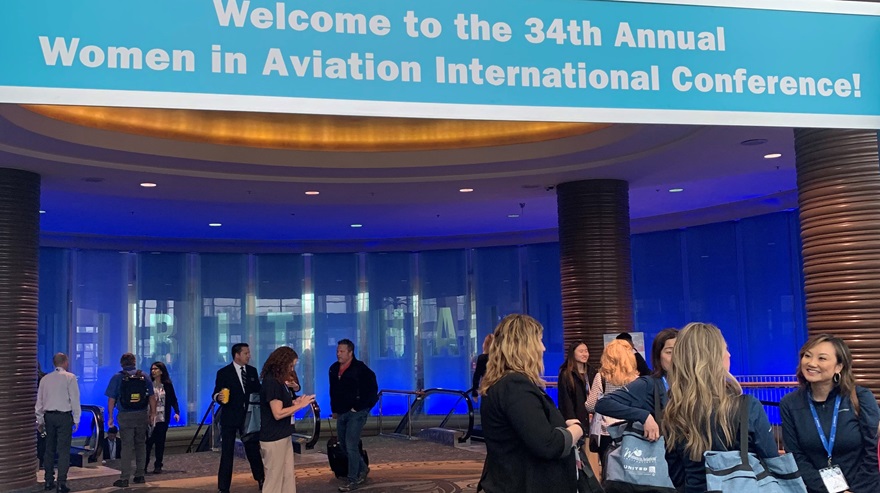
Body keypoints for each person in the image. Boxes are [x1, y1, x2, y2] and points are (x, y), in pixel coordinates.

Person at [662, 322, 778, 493]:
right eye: (725, 349)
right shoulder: (747, 406)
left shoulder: (674, 410)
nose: (729, 355)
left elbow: (676, 474)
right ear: (713, 358)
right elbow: (772, 461)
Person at [477, 314, 584, 493]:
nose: (543, 348)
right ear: (524, 346)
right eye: (539, 341)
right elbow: (547, 445)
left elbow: (527, 430)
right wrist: (576, 429)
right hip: (525, 483)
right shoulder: (515, 385)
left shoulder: (503, 383)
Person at [780, 334, 880, 493]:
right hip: (816, 490)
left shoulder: (860, 398)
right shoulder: (790, 404)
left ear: (839, 367)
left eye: (822, 358)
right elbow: (796, 457)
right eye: (807, 356)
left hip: (863, 488)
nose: (812, 363)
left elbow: (874, 451)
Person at [596, 328, 682, 486]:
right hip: (661, 471)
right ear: (658, 356)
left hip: (690, 470)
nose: (676, 357)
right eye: (669, 352)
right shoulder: (649, 384)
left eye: (681, 351)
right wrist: (643, 415)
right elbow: (603, 403)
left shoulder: (693, 386)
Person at [259, 347, 316, 493]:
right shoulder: (271, 381)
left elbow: (284, 405)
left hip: (283, 434)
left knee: (287, 477)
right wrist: (300, 406)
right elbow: (277, 413)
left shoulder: (280, 381)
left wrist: (295, 403)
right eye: (291, 365)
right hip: (273, 438)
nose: (292, 369)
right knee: (274, 480)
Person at [213, 342, 265, 493]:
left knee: (253, 450)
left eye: (249, 353)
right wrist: (218, 397)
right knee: (227, 453)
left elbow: (258, 392)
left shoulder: (252, 371)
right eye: (246, 353)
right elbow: (216, 393)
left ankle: (260, 478)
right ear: (237, 355)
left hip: (248, 418)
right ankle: (223, 487)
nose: (249, 356)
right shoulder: (224, 373)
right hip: (230, 418)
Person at [329, 339, 379, 492]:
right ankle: (362, 469)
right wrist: (335, 410)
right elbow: (333, 391)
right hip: (342, 412)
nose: (338, 353)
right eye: (338, 350)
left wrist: (360, 407)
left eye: (342, 351)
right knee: (343, 445)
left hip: (357, 413)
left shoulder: (360, 369)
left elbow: (372, 390)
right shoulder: (333, 369)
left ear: (350, 352)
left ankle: (353, 480)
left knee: (351, 445)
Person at [585, 339, 640, 475]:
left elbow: (591, 406)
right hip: (630, 431)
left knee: (609, 472)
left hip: (607, 433)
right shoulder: (636, 379)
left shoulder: (601, 377)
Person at [105, 353, 157, 489]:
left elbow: (111, 399)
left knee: (127, 446)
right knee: (141, 444)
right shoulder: (144, 376)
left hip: (125, 415)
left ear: (122, 363)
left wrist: (110, 417)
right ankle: (140, 474)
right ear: (134, 362)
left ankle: (124, 478)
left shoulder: (117, 377)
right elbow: (152, 397)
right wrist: (152, 414)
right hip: (141, 414)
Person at [36, 352, 81, 493]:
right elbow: (75, 399)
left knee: (48, 449)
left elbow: (39, 402)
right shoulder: (70, 377)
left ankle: (48, 481)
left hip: (49, 417)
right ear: (66, 362)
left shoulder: (45, 379)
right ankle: (62, 482)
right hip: (64, 417)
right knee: (63, 450)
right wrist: (77, 418)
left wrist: (40, 419)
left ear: (54, 363)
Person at [145, 361, 180, 474]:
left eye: (155, 369)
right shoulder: (148, 384)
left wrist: (177, 412)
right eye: (152, 369)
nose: (153, 371)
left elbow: (173, 399)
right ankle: (144, 465)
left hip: (163, 417)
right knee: (148, 443)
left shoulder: (167, 385)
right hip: (150, 417)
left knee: (160, 442)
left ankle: (158, 465)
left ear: (161, 371)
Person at [557, 341, 598, 434]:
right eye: (581, 351)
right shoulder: (566, 374)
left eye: (586, 351)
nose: (585, 354)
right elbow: (565, 401)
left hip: (594, 420)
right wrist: (572, 421)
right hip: (577, 419)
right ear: (573, 353)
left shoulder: (592, 371)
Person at [470, 334, 494, 399]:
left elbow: (476, 376)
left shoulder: (482, 358)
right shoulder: (499, 358)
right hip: (498, 388)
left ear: (486, 345)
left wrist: (475, 393)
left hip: (486, 388)